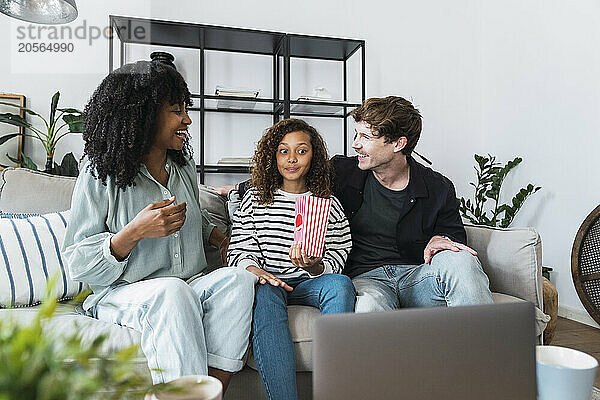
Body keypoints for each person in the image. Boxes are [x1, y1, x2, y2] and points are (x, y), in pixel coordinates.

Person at [62, 60, 257, 389]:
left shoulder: (182, 166)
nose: (187, 119)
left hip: (188, 284)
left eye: (186, 108)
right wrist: (134, 232)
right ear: (143, 115)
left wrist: (223, 240)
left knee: (238, 281)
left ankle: (210, 392)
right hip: (122, 293)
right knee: (172, 292)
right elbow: (77, 261)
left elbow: (198, 215)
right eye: (176, 110)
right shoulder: (99, 173)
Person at [221, 96, 492, 313]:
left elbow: (454, 235)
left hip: (415, 277)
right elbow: (291, 174)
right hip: (366, 280)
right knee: (369, 306)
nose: (355, 145)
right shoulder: (343, 171)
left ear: (398, 143)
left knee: (462, 262)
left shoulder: (437, 187)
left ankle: (484, 364)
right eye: (356, 134)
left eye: (366, 137)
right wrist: (236, 189)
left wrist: (440, 238)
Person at [227, 118, 354, 400]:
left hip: (310, 282)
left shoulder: (328, 204)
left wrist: (315, 265)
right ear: (273, 156)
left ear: (314, 157)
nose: (292, 159)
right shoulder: (255, 200)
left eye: (301, 151)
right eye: (284, 151)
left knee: (341, 284)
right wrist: (257, 272)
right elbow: (238, 250)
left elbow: (339, 251)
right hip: (269, 282)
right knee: (265, 293)